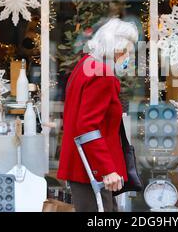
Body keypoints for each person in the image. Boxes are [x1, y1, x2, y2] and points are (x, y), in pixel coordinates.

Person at [57, 18, 138, 212]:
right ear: (116, 49)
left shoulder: (86, 65)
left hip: (84, 166)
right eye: (127, 50)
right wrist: (106, 170)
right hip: (92, 170)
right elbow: (88, 127)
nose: (129, 56)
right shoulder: (102, 74)